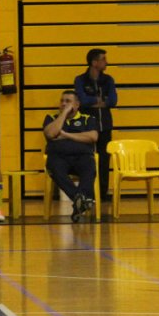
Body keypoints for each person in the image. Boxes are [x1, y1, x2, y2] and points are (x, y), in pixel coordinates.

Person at [43, 90, 98, 223]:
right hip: (59, 157)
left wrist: (66, 135)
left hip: (82, 156)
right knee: (53, 167)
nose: (63, 104)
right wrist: (64, 114)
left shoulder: (88, 119)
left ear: (77, 104)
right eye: (62, 101)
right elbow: (50, 134)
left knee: (89, 166)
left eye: (68, 101)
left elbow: (92, 137)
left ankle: (80, 200)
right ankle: (80, 199)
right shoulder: (51, 118)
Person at [74, 48, 117, 199]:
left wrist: (93, 101)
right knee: (87, 159)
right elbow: (82, 101)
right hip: (87, 127)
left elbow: (113, 101)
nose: (107, 62)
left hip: (105, 125)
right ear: (94, 62)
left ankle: (103, 193)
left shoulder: (108, 80)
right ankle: (88, 192)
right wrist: (98, 101)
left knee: (104, 160)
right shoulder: (80, 80)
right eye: (103, 59)